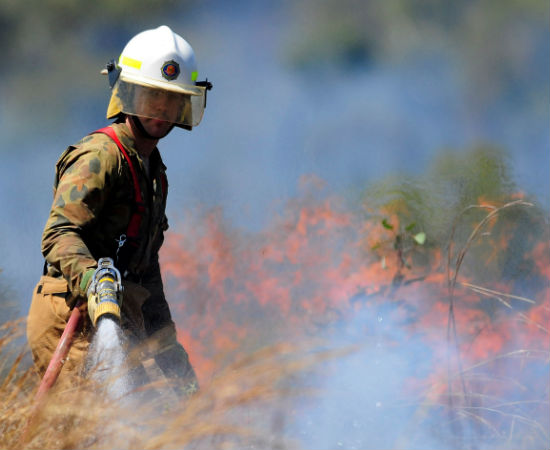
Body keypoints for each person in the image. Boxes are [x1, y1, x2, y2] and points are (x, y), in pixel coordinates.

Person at [26, 25, 212, 395]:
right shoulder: (100, 156)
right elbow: (59, 234)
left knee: (152, 418)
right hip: (71, 318)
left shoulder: (153, 172)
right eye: (151, 99)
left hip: (119, 317)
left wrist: (177, 368)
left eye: (172, 102)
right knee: (96, 430)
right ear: (126, 94)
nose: (161, 113)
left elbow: (145, 275)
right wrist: (94, 280)